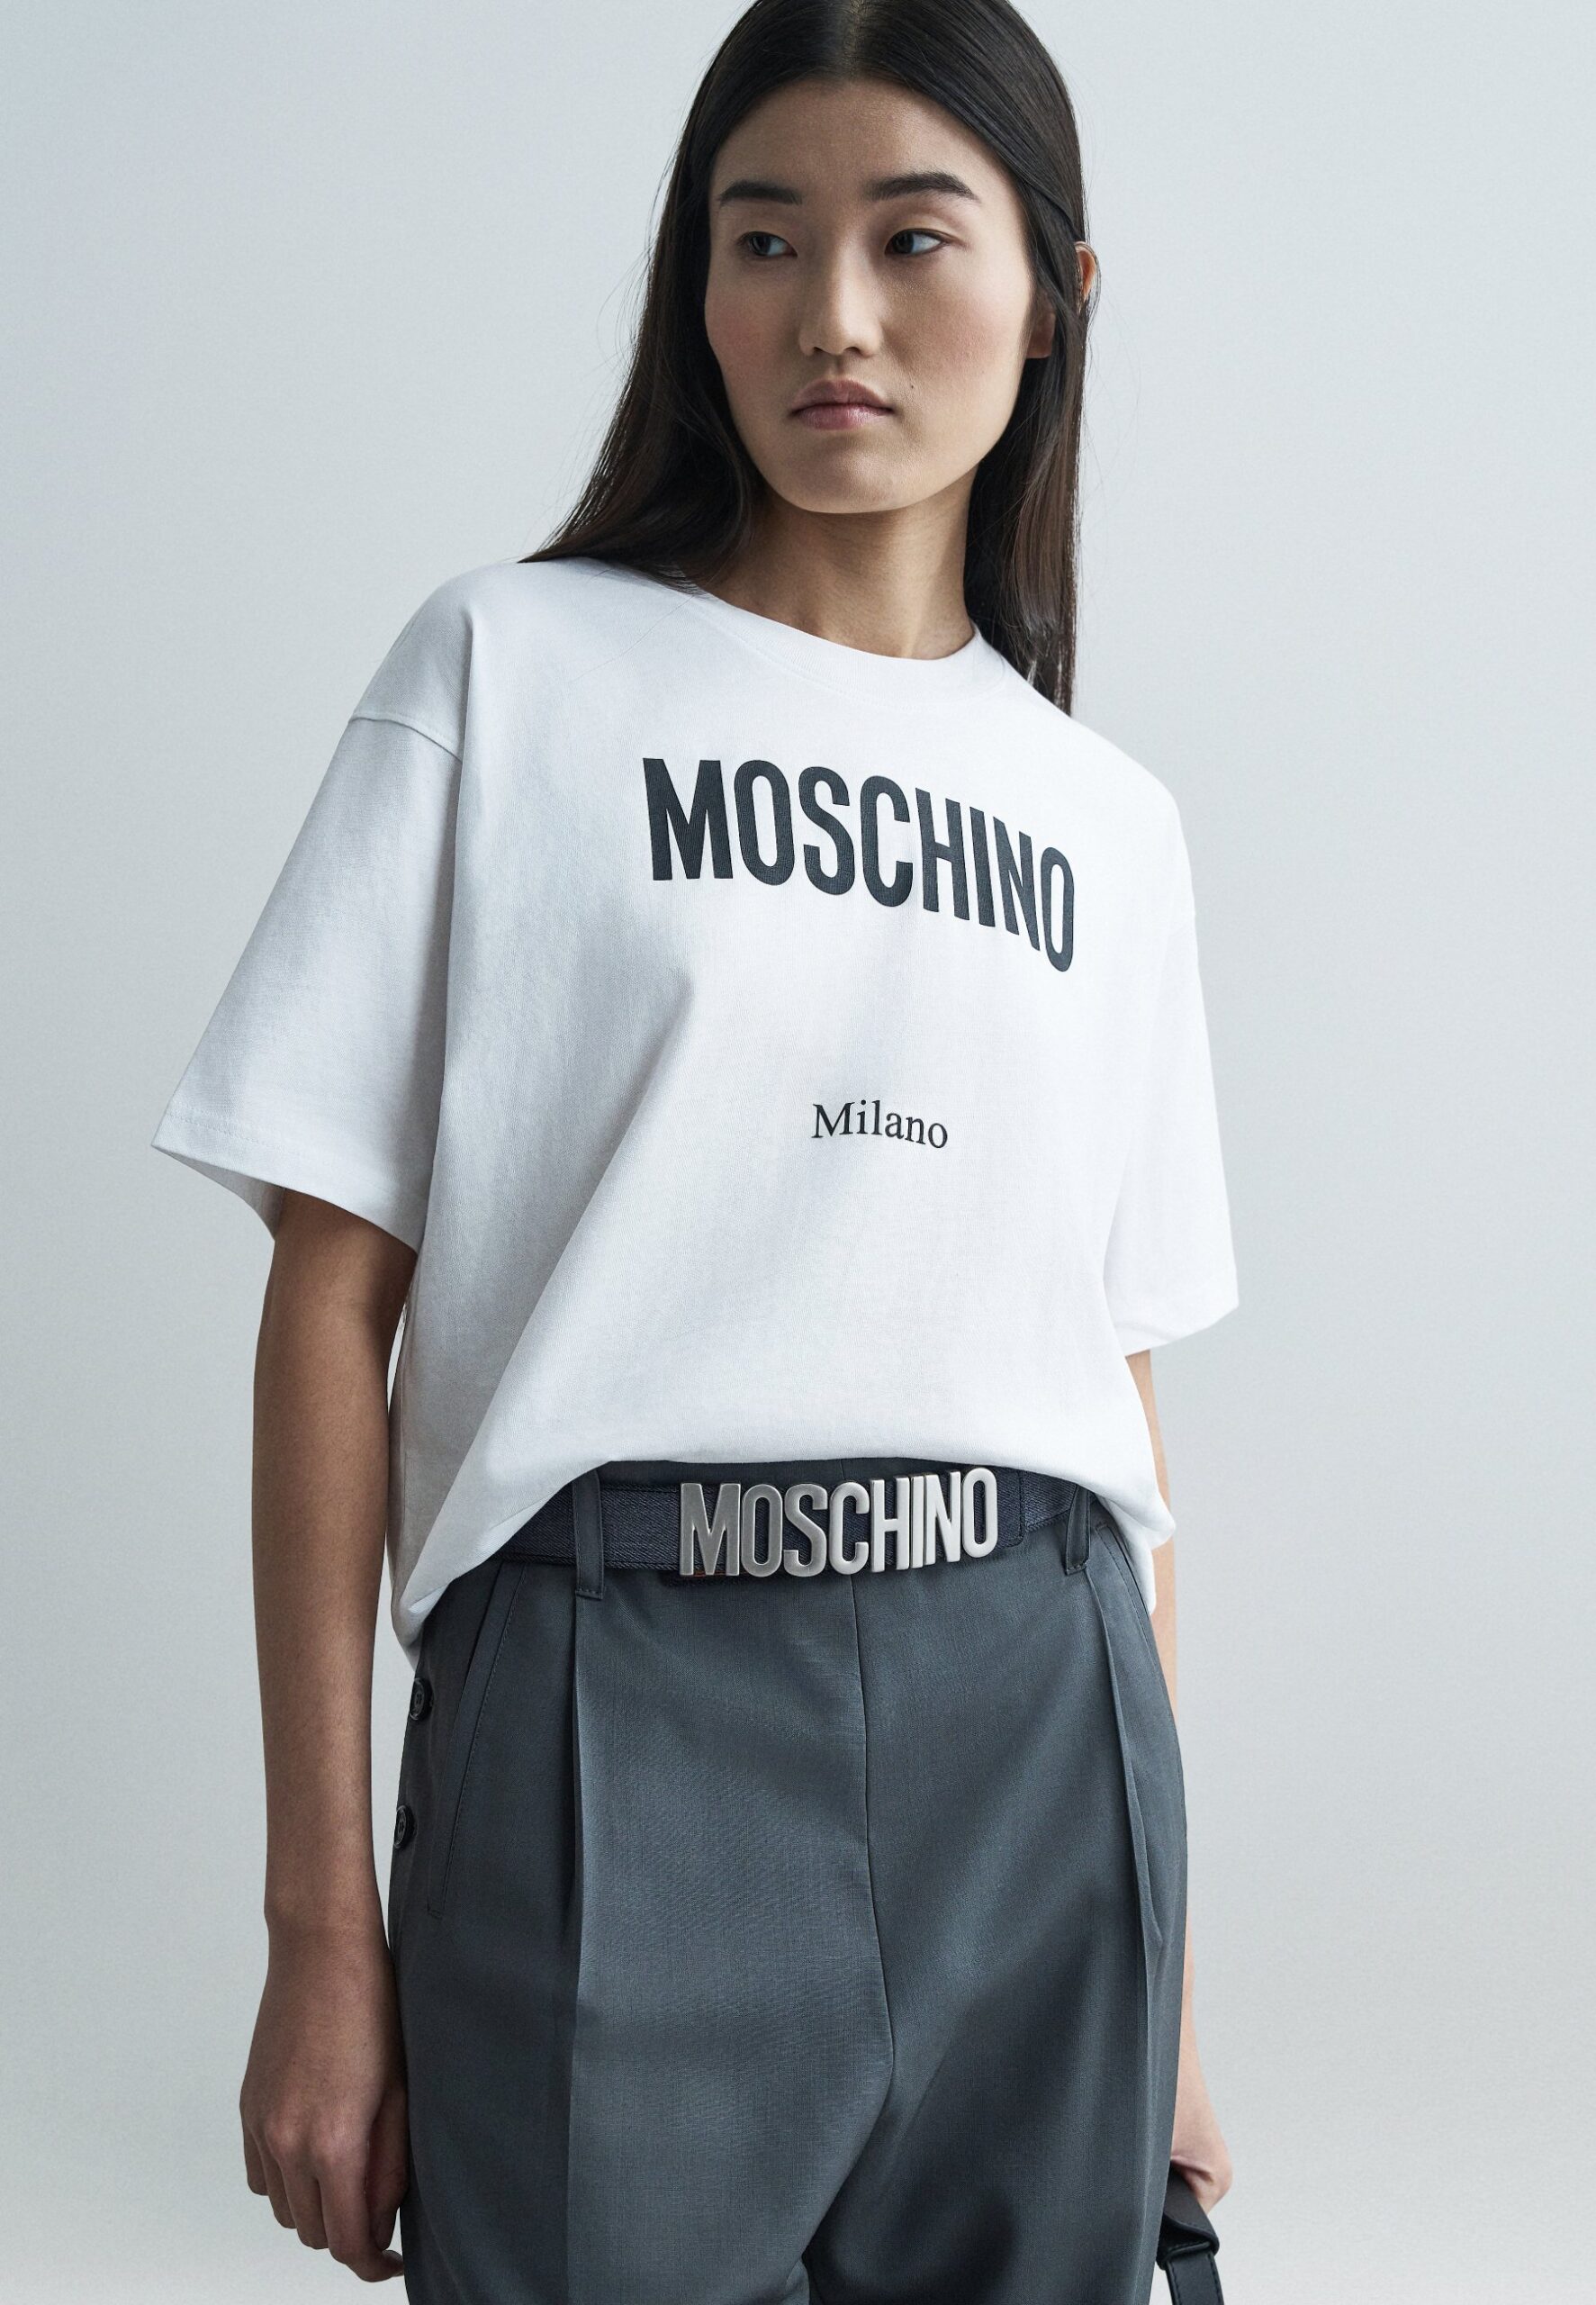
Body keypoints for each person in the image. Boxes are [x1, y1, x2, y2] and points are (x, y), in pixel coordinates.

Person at [150, 1, 1240, 2296]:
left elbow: (1114, 1389)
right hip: (611, 1703)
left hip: (1040, 1720)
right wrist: (319, 1924)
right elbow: (331, 1299)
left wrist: (1168, 1971)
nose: (828, 312)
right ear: (697, 284)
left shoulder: (1106, 823)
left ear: (1051, 294)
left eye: (908, 237)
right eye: (761, 239)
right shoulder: (506, 672)